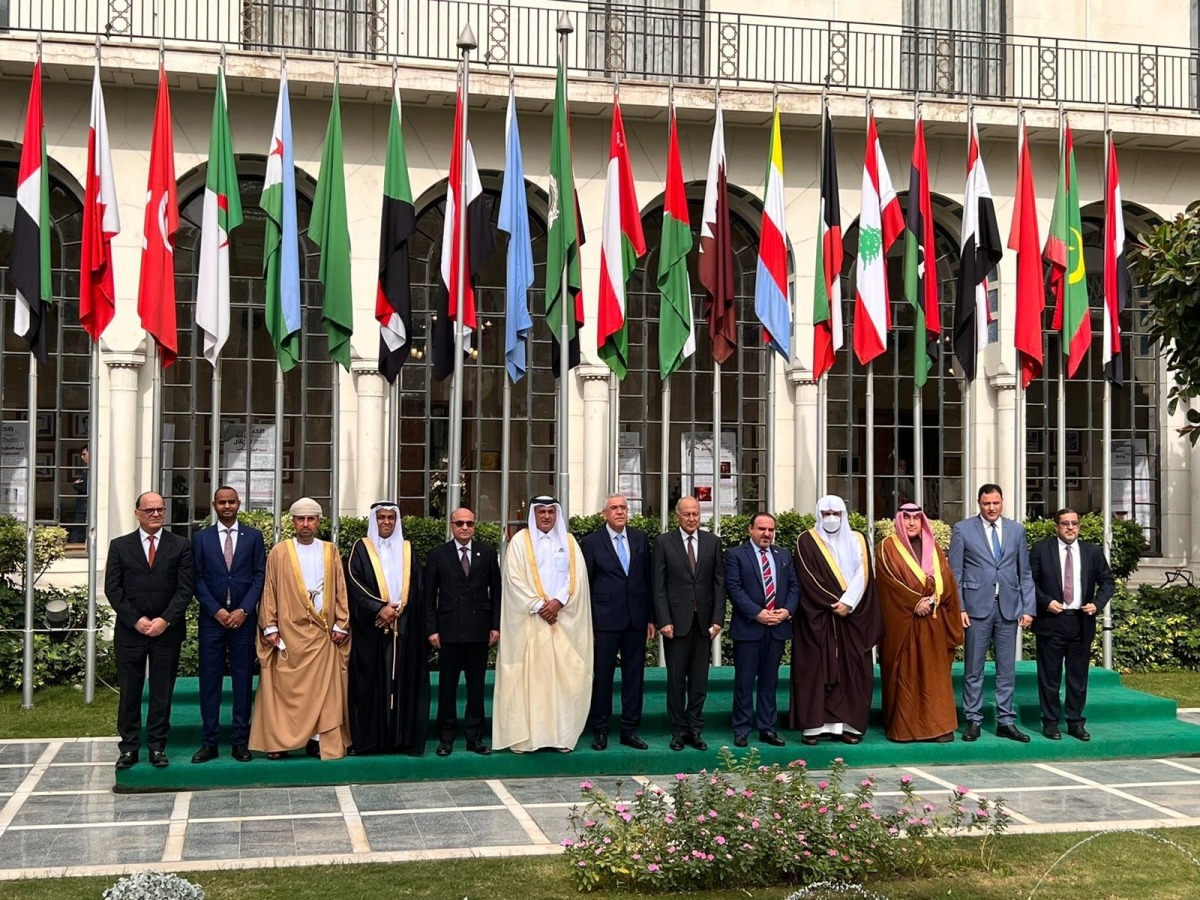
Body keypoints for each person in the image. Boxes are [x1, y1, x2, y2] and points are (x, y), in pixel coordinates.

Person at [249, 497, 351, 760]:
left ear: (318, 522)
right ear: (293, 522)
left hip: (323, 634)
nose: (306, 524)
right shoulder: (280, 552)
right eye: (300, 519)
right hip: (288, 634)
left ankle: (318, 740)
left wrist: (341, 623)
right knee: (284, 689)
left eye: (311, 519)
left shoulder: (330, 551)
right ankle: (280, 741)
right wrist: (269, 626)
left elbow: (340, 590)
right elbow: (269, 591)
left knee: (322, 690)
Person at [493, 495, 593, 753]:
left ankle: (560, 737)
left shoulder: (569, 542)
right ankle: (528, 739)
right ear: (534, 515)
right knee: (530, 680)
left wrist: (557, 602)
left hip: (561, 620)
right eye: (541, 512)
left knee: (562, 680)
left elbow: (577, 578)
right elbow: (513, 579)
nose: (547, 516)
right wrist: (539, 605)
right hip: (530, 621)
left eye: (551, 511)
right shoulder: (519, 542)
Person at [105, 491, 194, 769]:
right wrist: (136, 620)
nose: (156, 514)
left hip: (167, 632)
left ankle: (157, 746)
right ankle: (129, 747)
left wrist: (165, 620)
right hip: (131, 632)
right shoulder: (120, 546)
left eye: (160, 509)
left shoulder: (180, 545)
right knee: (130, 691)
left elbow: (185, 589)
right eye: (149, 510)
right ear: (137, 514)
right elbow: (113, 589)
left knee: (161, 692)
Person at [789, 496, 882, 746]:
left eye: (836, 513)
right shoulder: (806, 540)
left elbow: (864, 573)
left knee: (853, 670)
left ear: (843, 515)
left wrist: (849, 602)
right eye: (826, 513)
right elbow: (807, 577)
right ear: (819, 515)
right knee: (815, 668)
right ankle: (814, 726)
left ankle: (849, 726)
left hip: (853, 616)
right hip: (818, 617)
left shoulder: (857, 539)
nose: (831, 518)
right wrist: (834, 602)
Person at [949, 484, 1036, 743]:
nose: (991, 508)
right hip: (976, 608)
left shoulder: (1016, 530)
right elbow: (955, 574)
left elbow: (1025, 572)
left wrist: (1028, 608)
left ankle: (1006, 721)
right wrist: (959, 608)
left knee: (1006, 669)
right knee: (973, 668)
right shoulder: (963, 529)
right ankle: (973, 720)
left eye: (996, 503)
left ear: (1002, 502)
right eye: (987, 503)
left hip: (1008, 607)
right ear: (979, 503)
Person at [875, 503, 964, 742]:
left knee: (934, 677)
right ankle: (905, 729)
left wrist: (933, 599)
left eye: (916, 518)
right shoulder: (887, 547)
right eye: (907, 518)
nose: (912, 523)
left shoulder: (933, 548)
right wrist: (914, 602)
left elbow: (947, 581)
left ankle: (938, 727)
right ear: (899, 520)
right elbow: (887, 585)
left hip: (933, 623)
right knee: (906, 676)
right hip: (903, 625)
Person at [346, 502, 429, 755]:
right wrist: (379, 608)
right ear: (374, 520)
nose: (386, 522)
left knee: (404, 682)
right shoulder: (361, 548)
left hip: (403, 628)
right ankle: (371, 740)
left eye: (391, 518)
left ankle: (401, 739)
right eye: (381, 517)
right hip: (372, 629)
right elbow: (354, 582)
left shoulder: (408, 549)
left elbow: (418, 587)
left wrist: (397, 613)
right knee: (371, 683)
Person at [191, 486, 266, 764]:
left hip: (243, 622)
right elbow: (197, 578)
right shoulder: (201, 539)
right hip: (212, 621)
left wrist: (244, 610)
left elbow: (259, 576)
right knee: (210, 681)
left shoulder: (253, 537)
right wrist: (217, 611)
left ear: (239, 504)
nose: (227, 506)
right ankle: (209, 742)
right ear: (214, 505)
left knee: (242, 681)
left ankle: (240, 741)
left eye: (231, 502)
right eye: (222, 502)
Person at [1030, 508, 1115, 741]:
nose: (1070, 528)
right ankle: (1050, 722)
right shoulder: (1041, 550)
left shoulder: (1092, 552)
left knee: (1077, 678)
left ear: (1079, 526)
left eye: (1074, 523)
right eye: (1065, 523)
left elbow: (1107, 582)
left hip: (1080, 621)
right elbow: (1029, 581)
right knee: (1049, 676)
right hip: (1051, 621)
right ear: (1056, 526)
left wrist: (1097, 604)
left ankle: (1075, 722)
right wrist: (1046, 602)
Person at [426, 507, 501, 757]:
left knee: (476, 687)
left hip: (479, 629)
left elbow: (496, 592)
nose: (465, 527)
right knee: (447, 687)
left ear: (474, 526)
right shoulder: (438, 554)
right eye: (460, 523)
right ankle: (446, 738)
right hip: (448, 630)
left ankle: (475, 738)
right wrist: (432, 629)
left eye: (469, 523)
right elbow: (429, 596)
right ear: (451, 526)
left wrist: (495, 625)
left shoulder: (487, 553)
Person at [582, 494, 654, 751]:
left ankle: (629, 729)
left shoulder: (640, 538)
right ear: (605, 514)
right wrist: (588, 623)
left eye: (623, 507)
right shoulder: (591, 542)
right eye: (614, 508)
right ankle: (600, 729)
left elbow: (648, 579)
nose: (620, 512)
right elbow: (586, 584)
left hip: (636, 619)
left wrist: (651, 618)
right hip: (605, 620)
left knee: (634, 677)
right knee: (603, 676)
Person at [653, 496, 724, 752]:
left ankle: (695, 729)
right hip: (675, 624)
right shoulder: (664, 542)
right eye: (687, 514)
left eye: (695, 514)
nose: (692, 518)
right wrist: (663, 620)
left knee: (699, 681)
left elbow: (719, 583)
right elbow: (658, 585)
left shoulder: (713, 542)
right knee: (676, 681)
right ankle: (678, 730)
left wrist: (717, 619)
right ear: (678, 516)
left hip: (703, 624)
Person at [725, 511, 799, 748]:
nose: (766, 533)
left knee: (770, 681)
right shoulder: (736, 555)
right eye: (761, 529)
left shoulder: (783, 555)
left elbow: (794, 586)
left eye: (770, 529)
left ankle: (767, 728)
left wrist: (787, 611)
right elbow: (734, 588)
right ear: (750, 530)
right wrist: (757, 613)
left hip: (777, 628)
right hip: (749, 628)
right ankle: (742, 729)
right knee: (744, 681)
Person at [69, 445, 88, 543]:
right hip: (83, 506)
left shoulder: (91, 470)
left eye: (84, 454)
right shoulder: (88, 469)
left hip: (84, 506)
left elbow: (86, 488)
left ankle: (75, 544)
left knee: (79, 529)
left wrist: (75, 485)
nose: (82, 457)